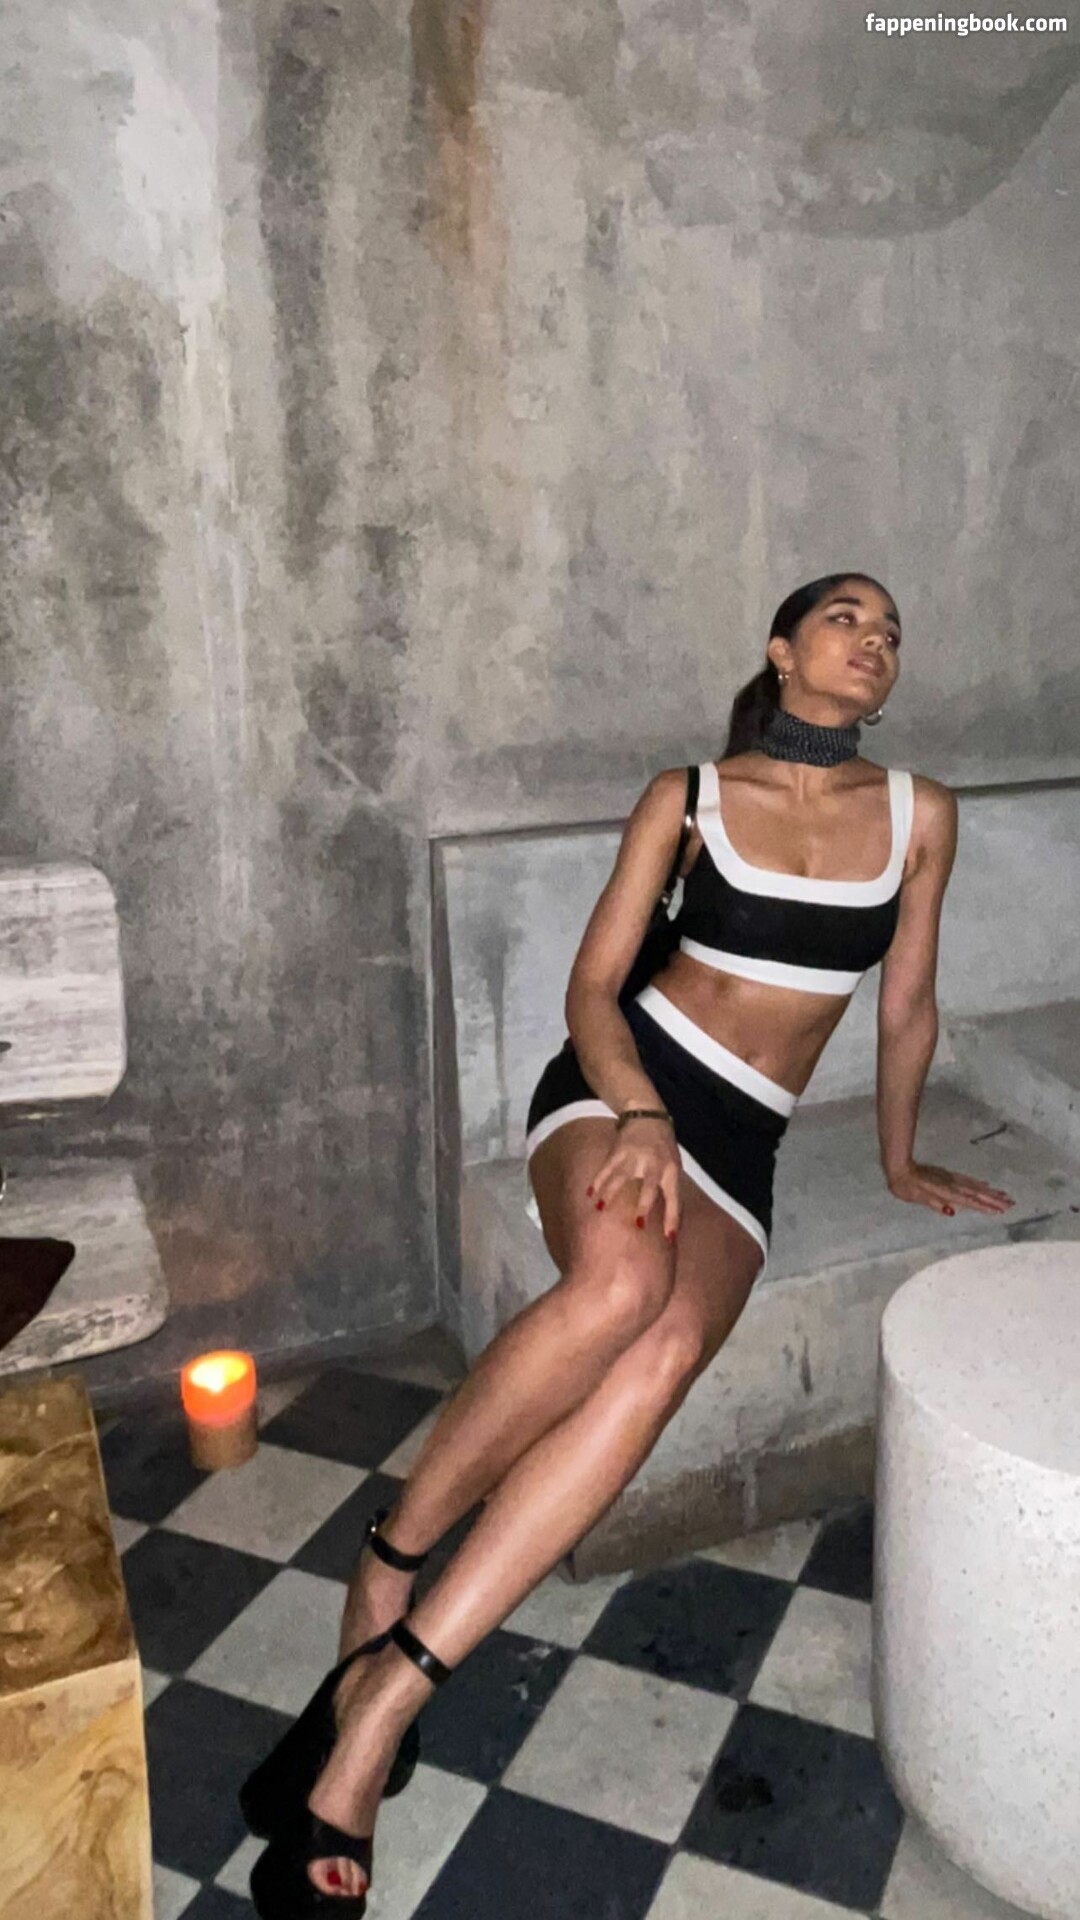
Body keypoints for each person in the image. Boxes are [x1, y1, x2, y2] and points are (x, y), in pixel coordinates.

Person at [241, 571, 1015, 1914]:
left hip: (745, 1136)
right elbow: (593, 988)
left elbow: (906, 1008)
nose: (875, 641)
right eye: (847, 618)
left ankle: (381, 1697)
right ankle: (391, 1560)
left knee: (661, 1352)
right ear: (782, 649)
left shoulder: (920, 815)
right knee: (617, 1289)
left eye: (892, 631)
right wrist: (644, 1115)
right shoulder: (690, 797)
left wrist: (898, 1158)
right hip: (622, 1085)